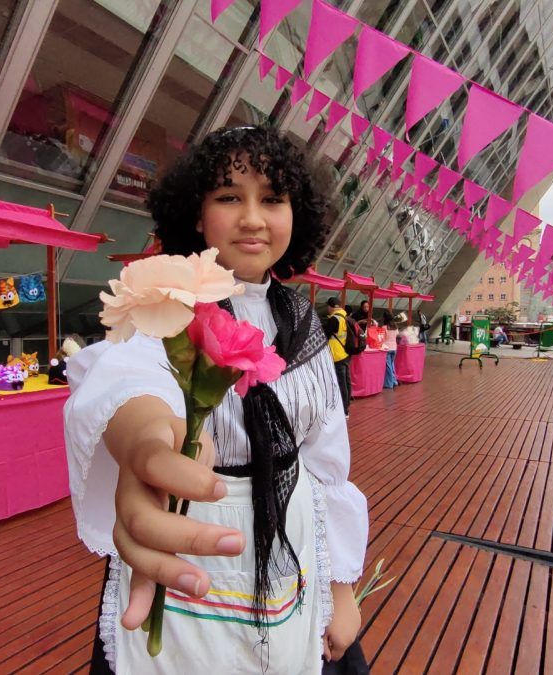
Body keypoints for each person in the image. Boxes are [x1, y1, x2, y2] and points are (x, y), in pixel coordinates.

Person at [64, 126, 368, 674]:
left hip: (290, 547)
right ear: (197, 214)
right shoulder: (167, 303)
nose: (253, 218)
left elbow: (326, 467)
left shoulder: (305, 325)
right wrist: (149, 442)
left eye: (272, 199)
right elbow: (129, 382)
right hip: (187, 541)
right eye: (230, 197)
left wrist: (341, 588)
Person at [325, 297, 353, 417]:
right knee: (346, 382)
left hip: (337, 355)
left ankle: (344, 410)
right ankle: (346, 407)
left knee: (341, 383)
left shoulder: (334, 319)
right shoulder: (345, 317)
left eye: (328, 306)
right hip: (345, 353)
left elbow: (325, 334)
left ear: (331, 306)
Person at [381, 310, 399, 389]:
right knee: (392, 365)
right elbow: (397, 335)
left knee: (388, 366)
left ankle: (389, 384)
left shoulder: (384, 327)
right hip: (394, 348)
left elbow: (382, 338)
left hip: (387, 348)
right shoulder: (395, 327)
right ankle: (394, 381)